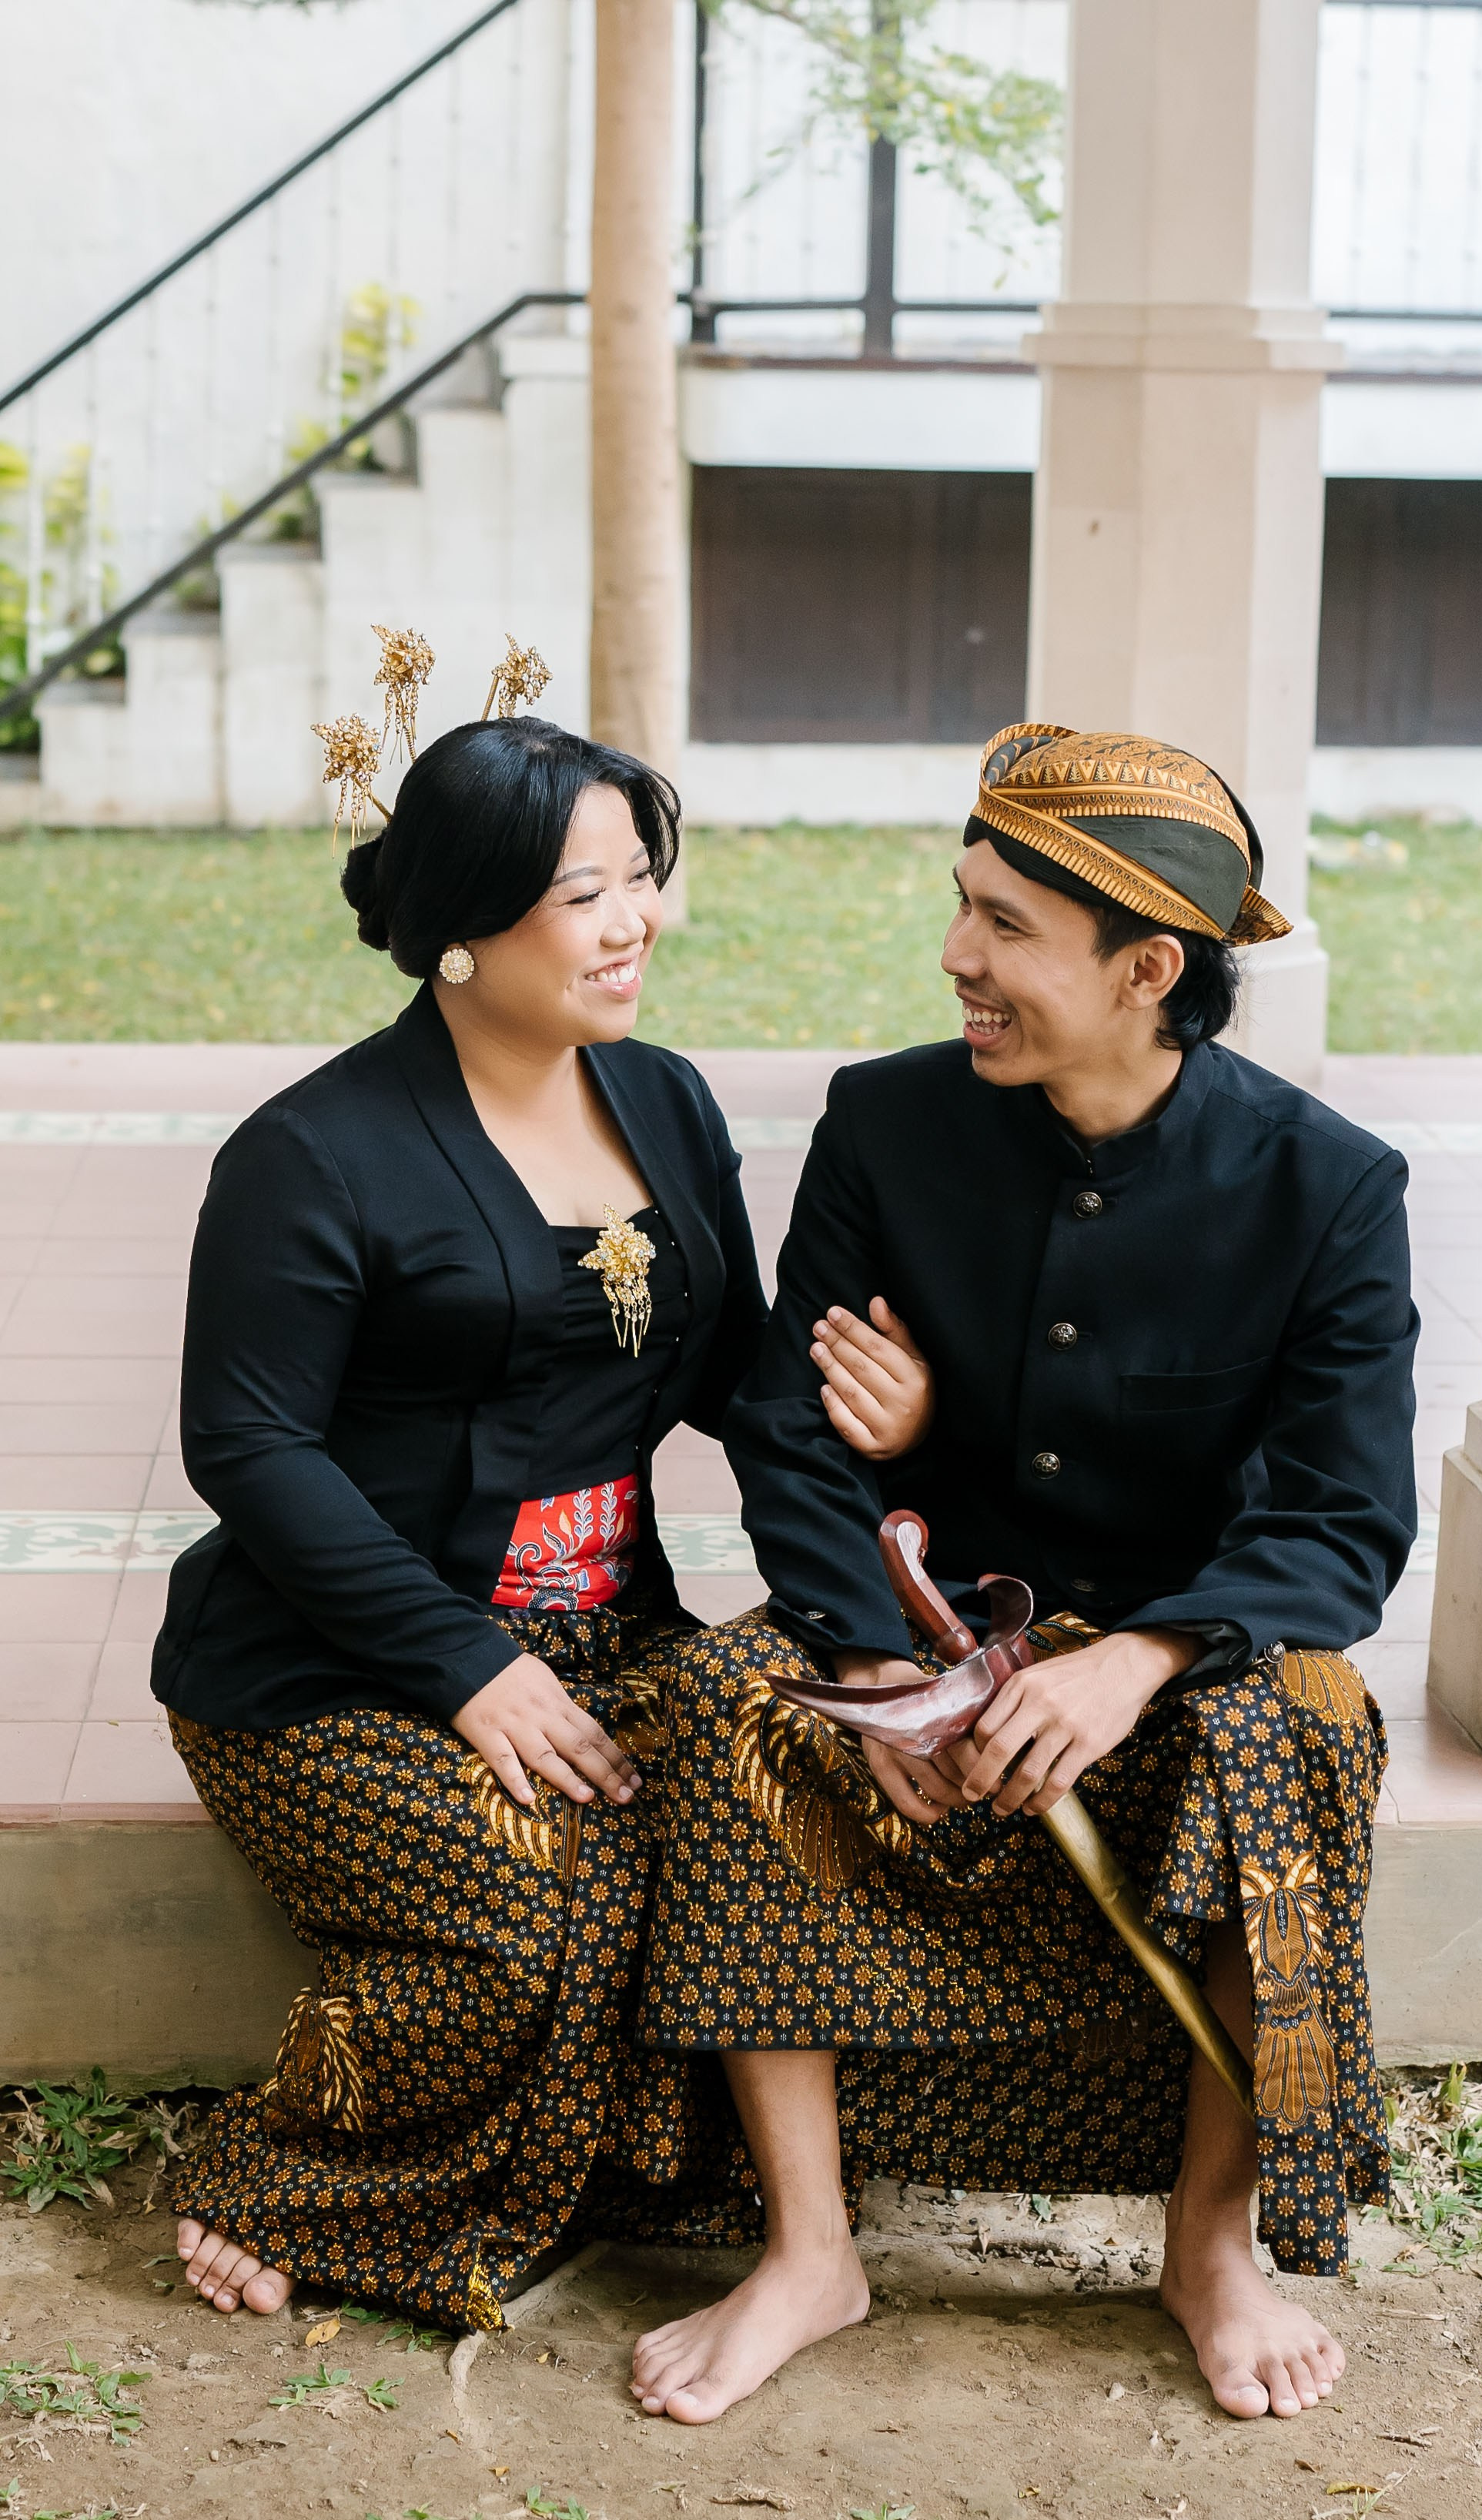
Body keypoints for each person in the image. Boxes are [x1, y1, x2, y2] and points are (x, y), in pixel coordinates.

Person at [631, 725, 1419, 2425]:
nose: (954, 957)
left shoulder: (1327, 1190)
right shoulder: (886, 1122)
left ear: (1146, 968)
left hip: (1181, 1651)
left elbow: (1344, 1521)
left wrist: (1133, 1657)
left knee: (1297, 1731)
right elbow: (788, 1425)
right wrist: (864, 1675)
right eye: (959, 906)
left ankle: (1211, 2243)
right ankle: (807, 2246)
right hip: (923, 1617)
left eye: (1001, 926)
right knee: (717, 1699)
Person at [154, 699, 932, 2331]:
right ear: (460, 926)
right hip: (338, 1656)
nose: (634, 918)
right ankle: (282, 2172)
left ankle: (622, 2179)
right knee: (537, 1897)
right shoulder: (312, 1154)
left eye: (640, 875)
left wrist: (891, 1428)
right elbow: (249, 1441)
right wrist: (462, 1663)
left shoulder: (661, 1099)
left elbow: (732, 1367)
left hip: (606, 1632)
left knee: (736, 1816)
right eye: (585, 891)